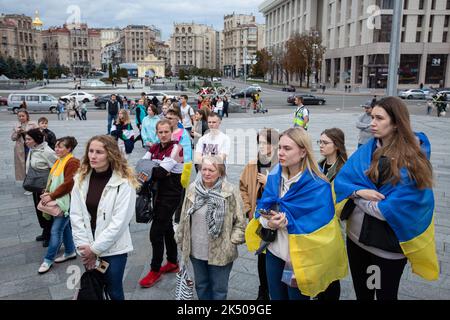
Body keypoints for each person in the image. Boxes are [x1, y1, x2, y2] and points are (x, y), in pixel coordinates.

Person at [335, 97, 439, 300]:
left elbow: (386, 210)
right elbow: (343, 181)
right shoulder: (368, 148)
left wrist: (355, 197)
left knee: (385, 296)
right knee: (363, 295)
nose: (372, 122)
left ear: (396, 122)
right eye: (372, 116)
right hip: (357, 241)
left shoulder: (412, 160)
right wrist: (359, 192)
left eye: (379, 118)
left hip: (386, 250)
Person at [245, 128, 348, 300]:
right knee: (276, 297)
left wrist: (290, 223)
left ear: (302, 152)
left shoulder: (318, 185)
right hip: (274, 253)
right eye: (280, 148)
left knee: (295, 297)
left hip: (297, 259)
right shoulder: (275, 176)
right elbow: (262, 210)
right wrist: (269, 223)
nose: (281, 152)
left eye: (287, 148)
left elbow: (322, 228)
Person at [70, 135, 138, 300]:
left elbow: (119, 223)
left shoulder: (124, 183)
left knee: (114, 291)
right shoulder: (80, 178)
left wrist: (94, 250)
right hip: (88, 244)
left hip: (114, 249)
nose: (93, 156)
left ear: (110, 154)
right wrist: (84, 246)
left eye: (99, 152)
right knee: (95, 289)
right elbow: (76, 215)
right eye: (91, 151)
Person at [176, 155, 247, 300]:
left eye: (211, 170)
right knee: (201, 285)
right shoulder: (192, 189)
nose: (206, 173)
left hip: (221, 250)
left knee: (219, 289)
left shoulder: (230, 191)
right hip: (196, 249)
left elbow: (241, 221)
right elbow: (184, 216)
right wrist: (181, 237)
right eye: (204, 169)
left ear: (220, 173)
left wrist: (232, 241)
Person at [139, 120, 184, 288]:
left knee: (156, 232)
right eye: (160, 132)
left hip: (171, 195)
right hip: (157, 194)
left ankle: (155, 270)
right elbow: (141, 166)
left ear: (172, 132)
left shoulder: (176, 148)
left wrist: (152, 168)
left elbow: (160, 172)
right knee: (166, 229)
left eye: (166, 131)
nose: (163, 134)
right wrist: (153, 169)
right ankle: (172, 262)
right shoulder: (155, 147)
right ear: (157, 133)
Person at [239, 128, 279, 300]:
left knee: (276, 257)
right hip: (257, 219)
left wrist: (269, 181)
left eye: (266, 143)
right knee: (261, 258)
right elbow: (242, 188)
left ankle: (276, 290)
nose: (262, 146)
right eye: (260, 142)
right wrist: (248, 210)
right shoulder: (252, 165)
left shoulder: (281, 166)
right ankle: (263, 291)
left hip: (277, 220)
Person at [37, 137, 80, 274]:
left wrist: (52, 195)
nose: (56, 149)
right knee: (64, 227)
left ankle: (48, 260)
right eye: (56, 146)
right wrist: (48, 191)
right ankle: (70, 251)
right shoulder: (60, 160)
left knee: (56, 231)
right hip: (60, 200)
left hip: (65, 203)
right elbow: (54, 179)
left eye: (61, 147)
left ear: (69, 149)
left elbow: (68, 184)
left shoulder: (72, 162)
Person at [315, 128, 348, 300]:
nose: (321, 145)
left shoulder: (344, 170)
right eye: (319, 142)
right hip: (317, 224)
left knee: (330, 272)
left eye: (325, 142)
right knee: (319, 266)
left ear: (336, 145)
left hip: (334, 226)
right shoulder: (318, 165)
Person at [25, 128, 58, 247]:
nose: (26, 141)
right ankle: (45, 231)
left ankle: (50, 235)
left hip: (45, 188)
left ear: (36, 140)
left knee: (47, 211)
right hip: (36, 186)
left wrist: (50, 188)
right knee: (40, 210)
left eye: (29, 139)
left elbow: (56, 168)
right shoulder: (33, 149)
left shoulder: (47, 152)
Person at [11, 110, 38, 182]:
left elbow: (38, 135)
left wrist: (27, 132)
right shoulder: (17, 126)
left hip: (31, 147)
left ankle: (32, 181)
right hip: (20, 148)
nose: (21, 118)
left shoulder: (33, 124)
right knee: (23, 165)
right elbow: (13, 138)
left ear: (27, 116)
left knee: (31, 164)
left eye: (23, 116)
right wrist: (17, 133)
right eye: (19, 116)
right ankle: (26, 181)